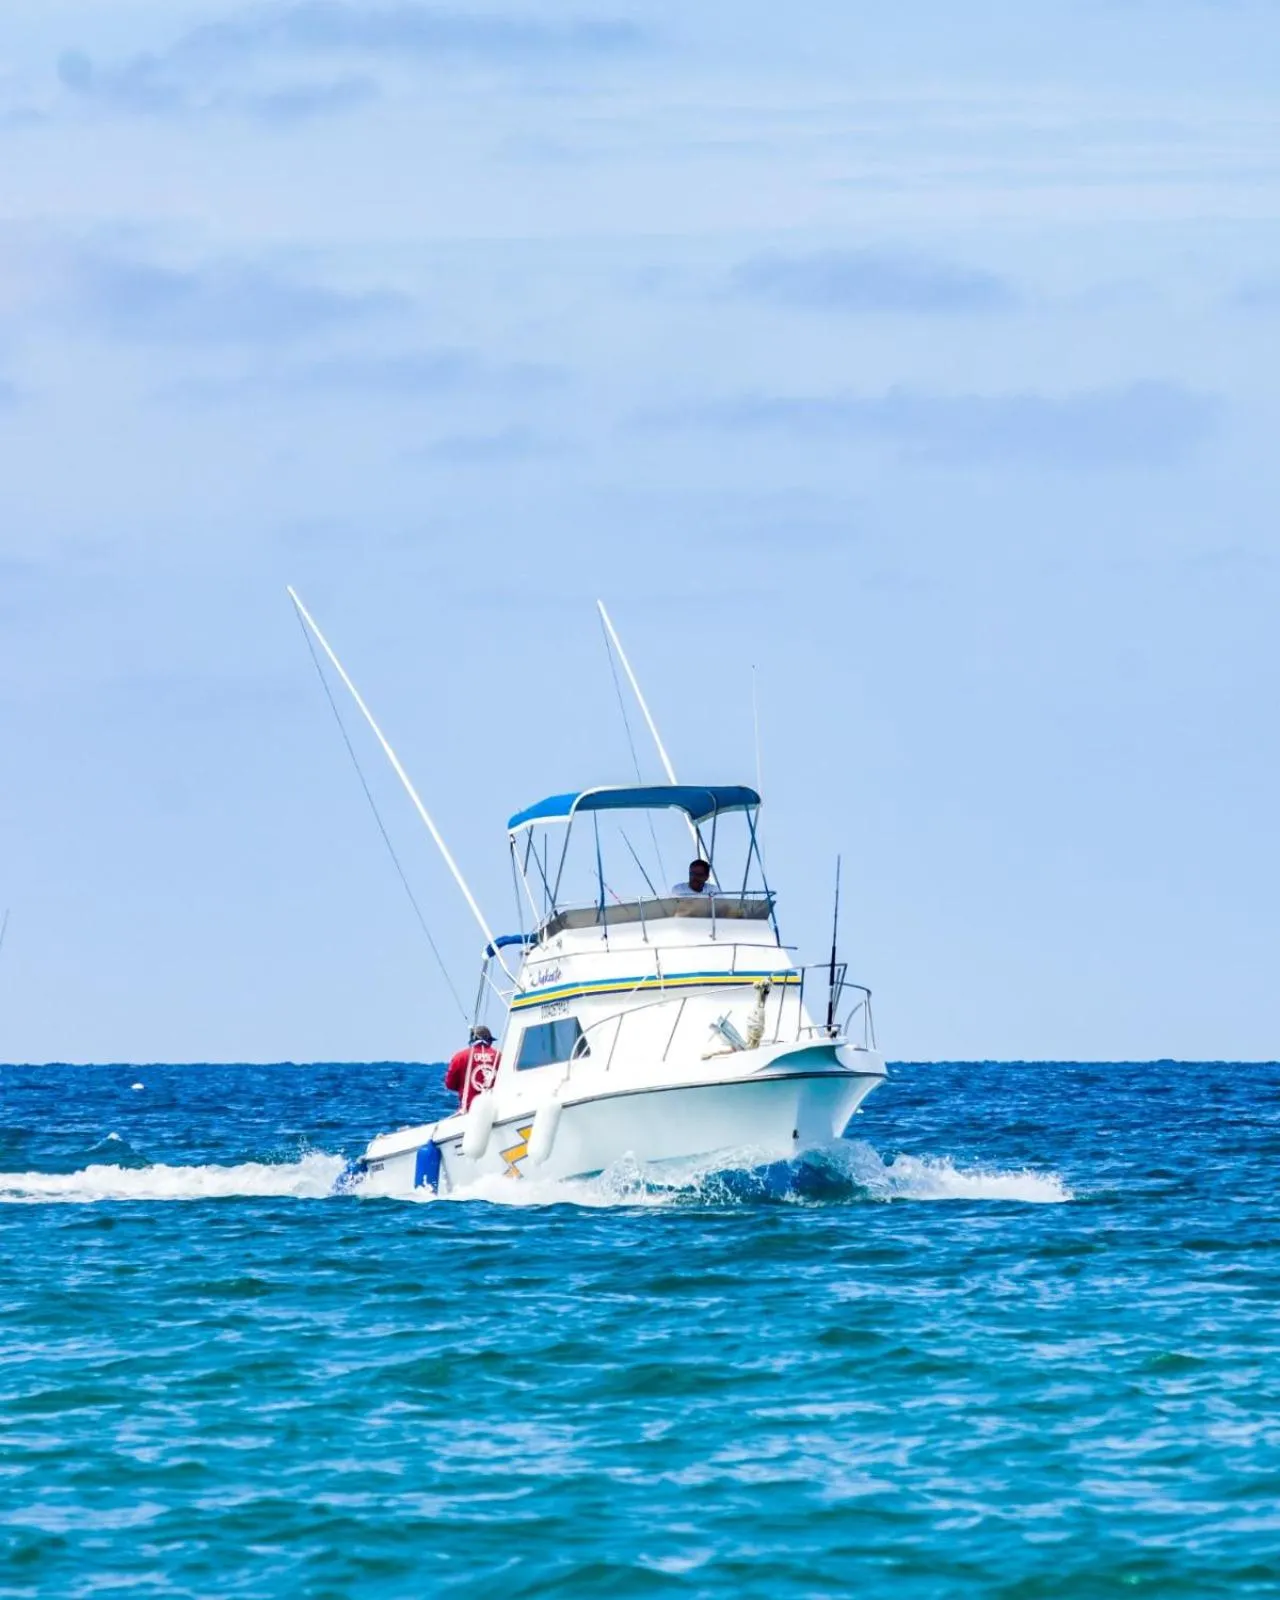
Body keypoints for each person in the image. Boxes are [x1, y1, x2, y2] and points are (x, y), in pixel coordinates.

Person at [445, 1025, 501, 1111]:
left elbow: (450, 1084)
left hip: (468, 1110)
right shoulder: (499, 1056)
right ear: (489, 1041)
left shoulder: (460, 1057)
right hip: (494, 1110)